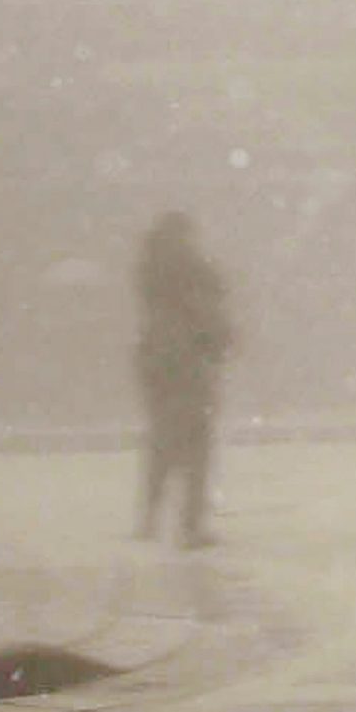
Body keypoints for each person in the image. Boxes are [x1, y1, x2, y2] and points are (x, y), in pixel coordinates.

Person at [134, 210, 233, 549]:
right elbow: (210, 319)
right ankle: (190, 525)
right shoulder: (195, 273)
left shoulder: (153, 275)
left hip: (159, 365)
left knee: (164, 442)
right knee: (197, 447)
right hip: (189, 364)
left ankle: (151, 515)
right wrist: (221, 340)